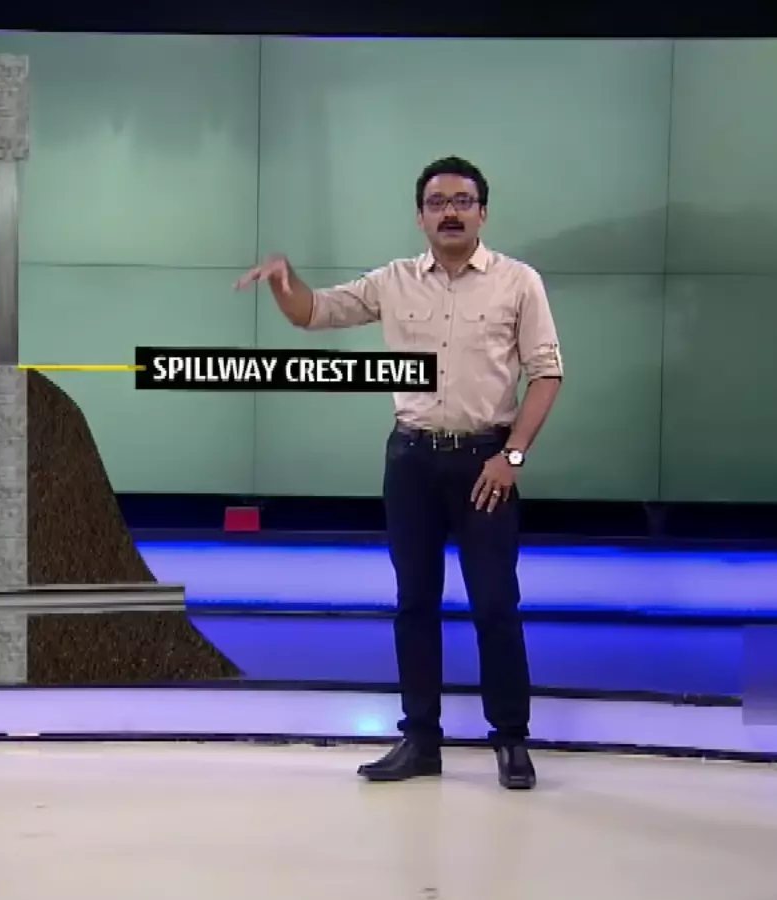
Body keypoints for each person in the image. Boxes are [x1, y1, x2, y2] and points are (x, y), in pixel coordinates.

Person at [236, 156, 563, 790]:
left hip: (485, 463)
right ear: (420, 217)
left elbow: (546, 373)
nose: (450, 212)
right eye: (437, 202)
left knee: (495, 604)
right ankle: (420, 740)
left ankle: (510, 740)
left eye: (462, 201)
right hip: (411, 462)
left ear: (482, 213)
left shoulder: (519, 282)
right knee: (414, 604)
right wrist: (283, 280)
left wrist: (513, 456)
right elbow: (313, 312)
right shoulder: (393, 281)